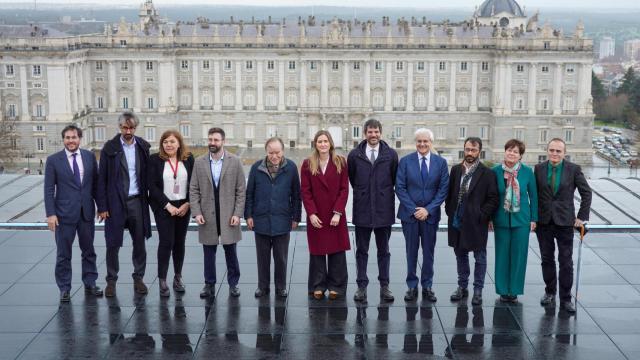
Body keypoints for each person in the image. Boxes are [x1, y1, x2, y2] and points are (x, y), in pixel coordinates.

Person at [44, 124, 103, 302]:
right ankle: (64, 288)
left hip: (86, 212)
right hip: (63, 215)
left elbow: (95, 184)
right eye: (68, 138)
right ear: (64, 140)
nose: (71, 141)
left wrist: (101, 206)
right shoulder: (54, 160)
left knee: (89, 251)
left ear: (79, 139)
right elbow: (48, 190)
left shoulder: (89, 156)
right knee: (64, 254)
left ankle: (90, 282)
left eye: (74, 137)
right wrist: (51, 214)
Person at [96, 111, 152, 297]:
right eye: (124, 127)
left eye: (131, 127)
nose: (128, 131)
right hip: (115, 204)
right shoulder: (109, 148)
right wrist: (102, 207)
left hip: (137, 202)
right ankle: (111, 281)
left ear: (135, 127)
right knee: (113, 244)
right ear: (119, 127)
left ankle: (139, 278)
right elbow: (101, 179)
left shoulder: (143, 147)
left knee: (139, 243)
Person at [535, 138, 592, 314]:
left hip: (565, 222)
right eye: (552, 150)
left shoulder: (573, 169)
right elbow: (533, 193)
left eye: (558, 151)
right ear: (547, 151)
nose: (554, 153)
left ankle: (566, 299)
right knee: (546, 259)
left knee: (566, 262)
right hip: (543, 222)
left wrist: (581, 217)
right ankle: (550, 292)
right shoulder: (538, 169)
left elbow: (586, 193)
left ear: (564, 153)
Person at [189, 127, 246, 299]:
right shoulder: (199, 162)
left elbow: (241, 190)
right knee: (208, 252)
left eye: (216, 140)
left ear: (223, 142)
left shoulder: (235, 161)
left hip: (229, 215)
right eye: (210, 139)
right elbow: (193, 189)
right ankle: (209, 284)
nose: (212, 143)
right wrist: (196, 212)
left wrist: (237, 213)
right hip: (207, 214)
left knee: (231, 251)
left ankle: (233, 284)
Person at [347, 118, 398, 303]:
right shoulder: (354, 155)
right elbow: (353, 179)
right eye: (370, 132)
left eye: (376, 132)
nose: (373, 135)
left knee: (384, 251)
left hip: (384, 210)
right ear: (365, 133)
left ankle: (385, 286)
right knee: (362, 250)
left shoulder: (391, 155)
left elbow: (394, 179)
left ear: (380, 133)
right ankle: (362, 286)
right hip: (362, 210)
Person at [396, 128, 449, 302]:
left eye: (426, 141)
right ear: (415, 143)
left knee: (428, 252)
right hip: (409, 216)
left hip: (430, 216)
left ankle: (427, 285)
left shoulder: (440, 163)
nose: (422, 144)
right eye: (419, 141)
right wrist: (414, 210)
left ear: (431, 143)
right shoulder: (405, 162)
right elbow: (400, 188)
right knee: (411, 251)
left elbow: (443, 190)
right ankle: (412, 286)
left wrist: (428, 210)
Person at [245, 137, 301, 298]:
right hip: (261, 219)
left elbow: (297, 195)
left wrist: (296, 216)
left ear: (282, 151)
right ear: (266, 152)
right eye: (271, 152)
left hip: (282, 219)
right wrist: (248, 215)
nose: (274, 156)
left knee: (281, 258)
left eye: (277, 152)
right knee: (262, 258)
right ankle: (262, 287)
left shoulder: (290, 167)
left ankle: (280, 287)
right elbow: (250, 193)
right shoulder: (256, 167)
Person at [445, 137, 499, 306]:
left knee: (479, 257)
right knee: (460, 255)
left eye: (473, 150)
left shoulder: (487, 173)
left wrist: (482, 215)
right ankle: (462, 287)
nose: (469, 153)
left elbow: (493, 198)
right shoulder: (455, 170)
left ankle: (477, 290)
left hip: (476, 223)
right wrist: (449, 211)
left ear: (479, 152)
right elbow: (449, 193)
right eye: (467, 149)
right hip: (457, 220)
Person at [301, 130, 350, 300]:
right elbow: (305, 192)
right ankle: (318, 285)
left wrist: (338, 212)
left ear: (330, 143)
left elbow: (344, 189)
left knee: (337, 251)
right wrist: (311, 214)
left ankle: (336, 285)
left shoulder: (340, 162)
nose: (322, 144)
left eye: (325, 141)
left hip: (335, 214)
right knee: (317, 251)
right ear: (315, 144)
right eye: (319, 141)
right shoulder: (307, 164)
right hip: (317, 214)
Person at [147, 130, 194, 297]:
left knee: (179, 242)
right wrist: (168, 206)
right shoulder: (155, 160)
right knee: (166, 242)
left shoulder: (188, 159)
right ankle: (162, 280)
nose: (169, 145)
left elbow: (193, 184)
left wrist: (188, 203)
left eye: (172, 141)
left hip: (183, 207)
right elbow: (152, 187)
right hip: (164, 207)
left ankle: (178, 277)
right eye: (165, 142)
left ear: (179, 143)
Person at [491, 139, 538, 303]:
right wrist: (490, 218)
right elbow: (491, 197)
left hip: (522, 220)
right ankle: (503, 290)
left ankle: (514, 290)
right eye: (509, 150)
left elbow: (533, 196)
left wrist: (534, 218)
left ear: (520, 156)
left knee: (519, 255)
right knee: (502, 254)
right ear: (505, 152)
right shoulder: (495, 171)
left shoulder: (527, 172)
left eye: (515, 152)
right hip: (501, 219)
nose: (511, 154)